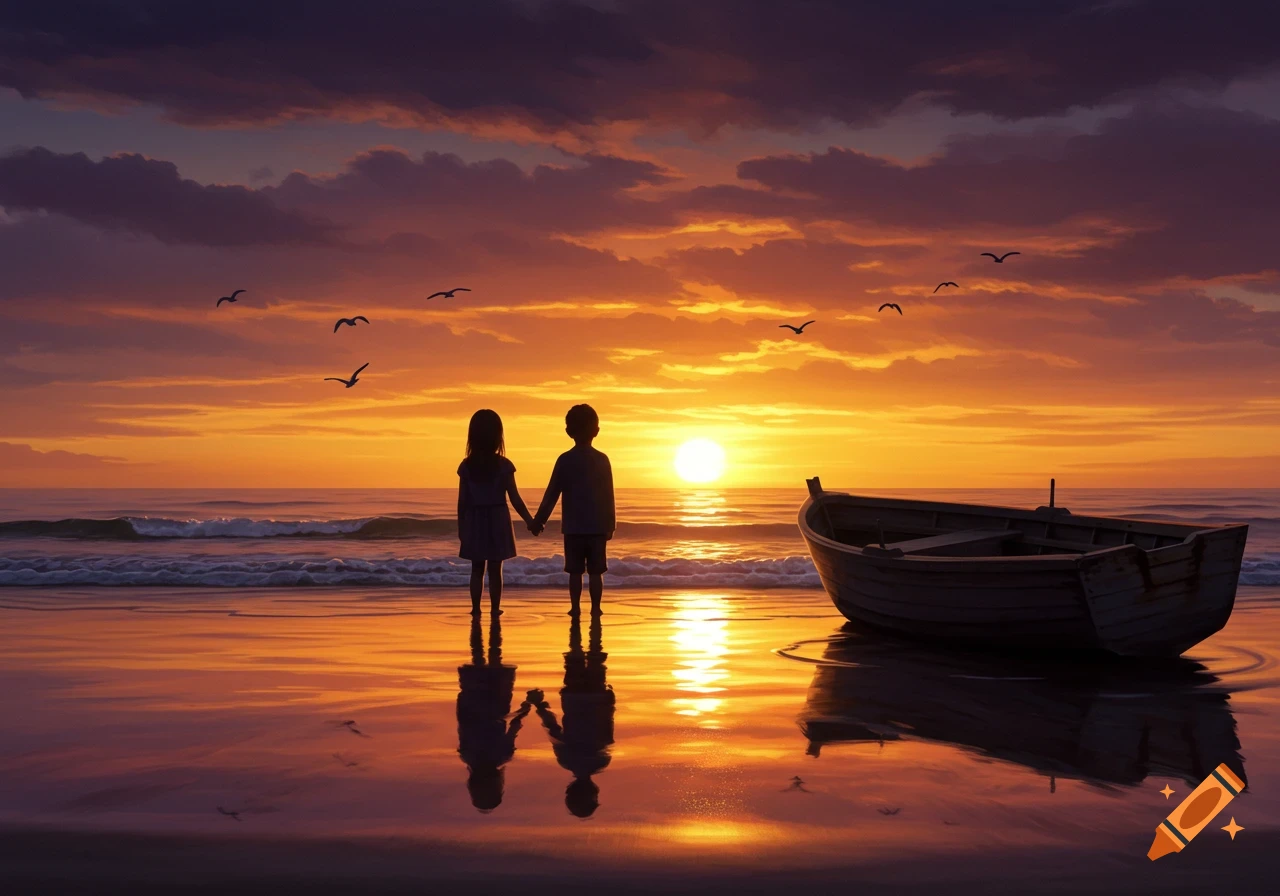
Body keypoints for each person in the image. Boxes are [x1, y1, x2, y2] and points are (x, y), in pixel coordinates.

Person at [533, 404, 615, 617]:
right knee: (596, 572)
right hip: (597, 527)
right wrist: (610, 524)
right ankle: (596, 608)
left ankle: (576, 607)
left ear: (569, 431)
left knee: (574, 572)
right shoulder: (602, 459)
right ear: (596, 431)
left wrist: (539, 520)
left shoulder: (565, 460)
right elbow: (609, 495)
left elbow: (552, 493)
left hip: (574, 527)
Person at [529, 614, 615, 818]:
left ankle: (591, 613)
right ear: (569, 791)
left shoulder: (602, 761)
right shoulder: (566, 760)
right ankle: (577, 616)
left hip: (596, 696)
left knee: (595, 652)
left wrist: (610, 700)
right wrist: (540, 706)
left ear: (594, 790)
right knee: (575, 653)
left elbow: (606, 724)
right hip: (574, 697)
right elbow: (552, 728)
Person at [457, 409, 540, 616]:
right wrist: (531, 521)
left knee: (477, 568)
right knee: (495, 569)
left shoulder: (467, 466)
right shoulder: (503, 465)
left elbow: (462, 502)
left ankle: (476, 609)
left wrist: (462, 528)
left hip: (475, 519)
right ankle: (495, 609)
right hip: (497, 519)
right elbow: (515, 498)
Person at [456, 615, 532, 812]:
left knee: (495, 657)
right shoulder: (466, 756)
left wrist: (523, 711)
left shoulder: (502, 756)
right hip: (470, 705)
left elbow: (513, 727)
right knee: (478, 656)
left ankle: (491, 619)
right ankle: (484, 617)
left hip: (496, 703)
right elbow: (463, 725)